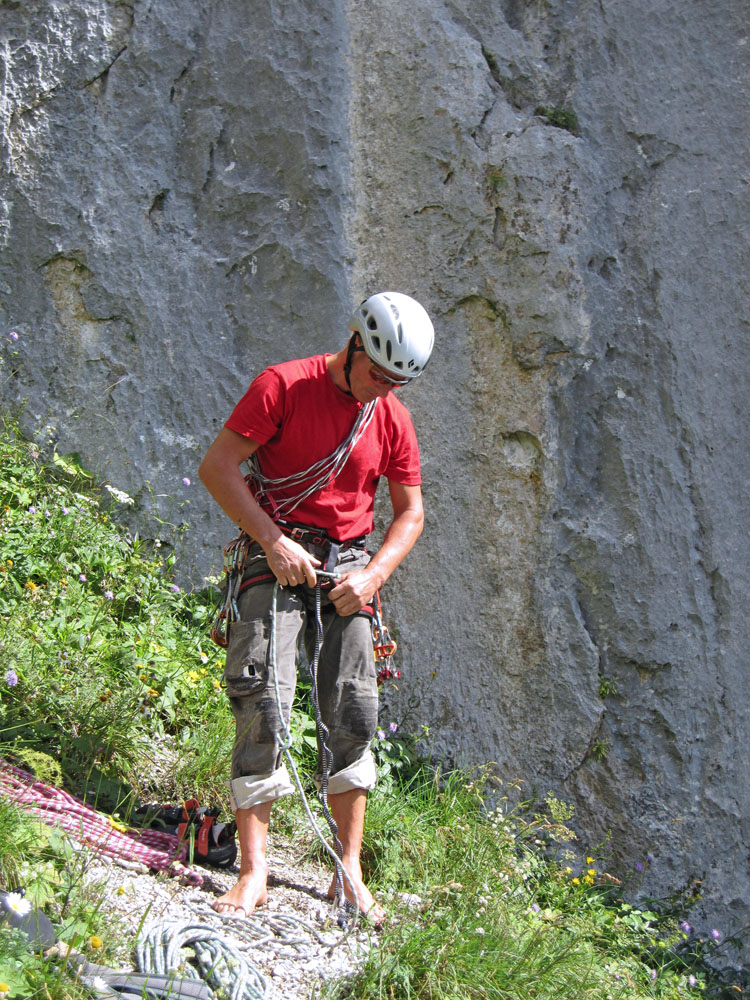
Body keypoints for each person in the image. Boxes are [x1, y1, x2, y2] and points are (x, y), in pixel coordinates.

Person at [198, 291, 434, 923]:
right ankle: (253, 873)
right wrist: (271, 542)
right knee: (262, 697)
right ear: (354, 342)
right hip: (275, 548)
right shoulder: (282, 387)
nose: (381, 390)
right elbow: (219, 467)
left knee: (353, 707)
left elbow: (410, 513)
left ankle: (348, 870)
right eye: (377, 374)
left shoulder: (391, 418)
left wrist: (374, 575)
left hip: (350, 565)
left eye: (395, 382)